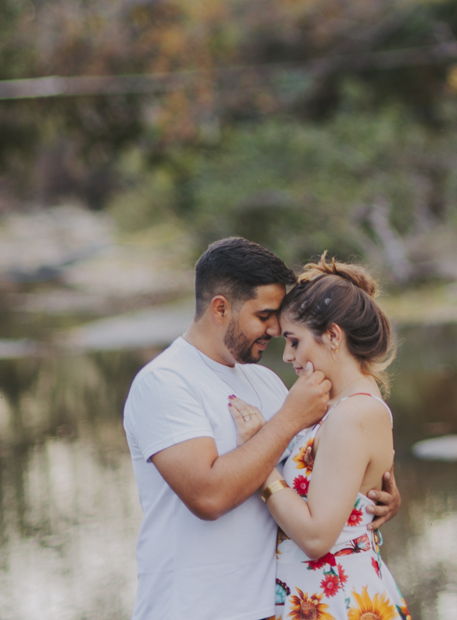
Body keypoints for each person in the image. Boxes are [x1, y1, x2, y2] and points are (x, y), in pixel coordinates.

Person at [122, 236, 401, 620]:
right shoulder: (165, 382)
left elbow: (320, 462)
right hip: (192, 608)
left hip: (271, 605)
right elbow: (208, 497)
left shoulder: (266, 383)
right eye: (264, 315)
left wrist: (369, 496)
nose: (273, 330)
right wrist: (287, 419)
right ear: (221, 308)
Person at [228, 255, 410, 620]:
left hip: (337, 598)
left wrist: (259, 460)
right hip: (317, 596)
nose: (288, 355)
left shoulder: (353, 413)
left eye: (294, 341)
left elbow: (315, 538)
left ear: (332, 335)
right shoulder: (332, 407)